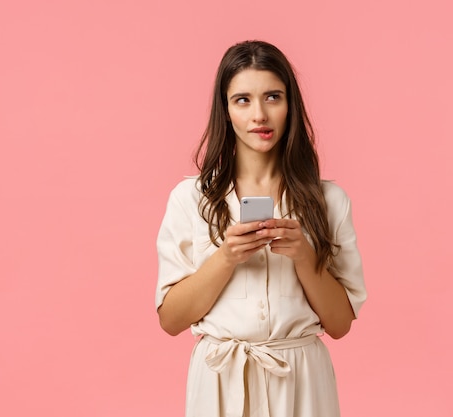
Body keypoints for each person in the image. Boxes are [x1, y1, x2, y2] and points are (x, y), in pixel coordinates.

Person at [155, 40, 366, 417]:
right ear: (226, 110)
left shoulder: (329, 201)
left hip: (301, 382)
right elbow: (171, 320)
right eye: (242, 100)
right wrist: (225, 258)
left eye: (272, 97)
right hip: (220, 380)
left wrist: (304, 257)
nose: (259, 115)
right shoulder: (191, 199)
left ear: (291, 105)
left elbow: (340, 325)